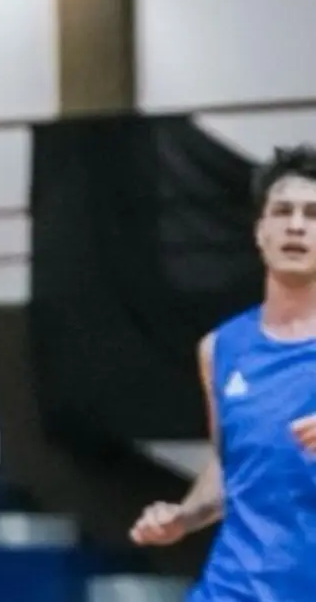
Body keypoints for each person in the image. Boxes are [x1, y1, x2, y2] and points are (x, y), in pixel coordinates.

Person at [130, 145, 316, 600]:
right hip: (231, 588)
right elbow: (227, 464)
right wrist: (186, 516)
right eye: (283, 211)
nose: (296, 225)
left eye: (313, 214)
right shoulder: (221, 348)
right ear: (260, 230)